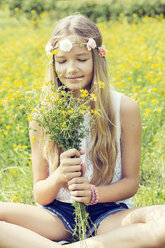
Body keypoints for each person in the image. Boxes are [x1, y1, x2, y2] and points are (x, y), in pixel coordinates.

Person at [0, 14, 165, 248]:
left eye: (81, 59)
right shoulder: (42, 115)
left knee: (162, 220)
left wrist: (93, 194)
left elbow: (131, 183)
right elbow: (40, 194)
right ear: (53, 63)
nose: (71, 69)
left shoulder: (124, 108)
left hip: (109, 213)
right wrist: (59, 176)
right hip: (56, 216)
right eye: (62, 61)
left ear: (97, 58)